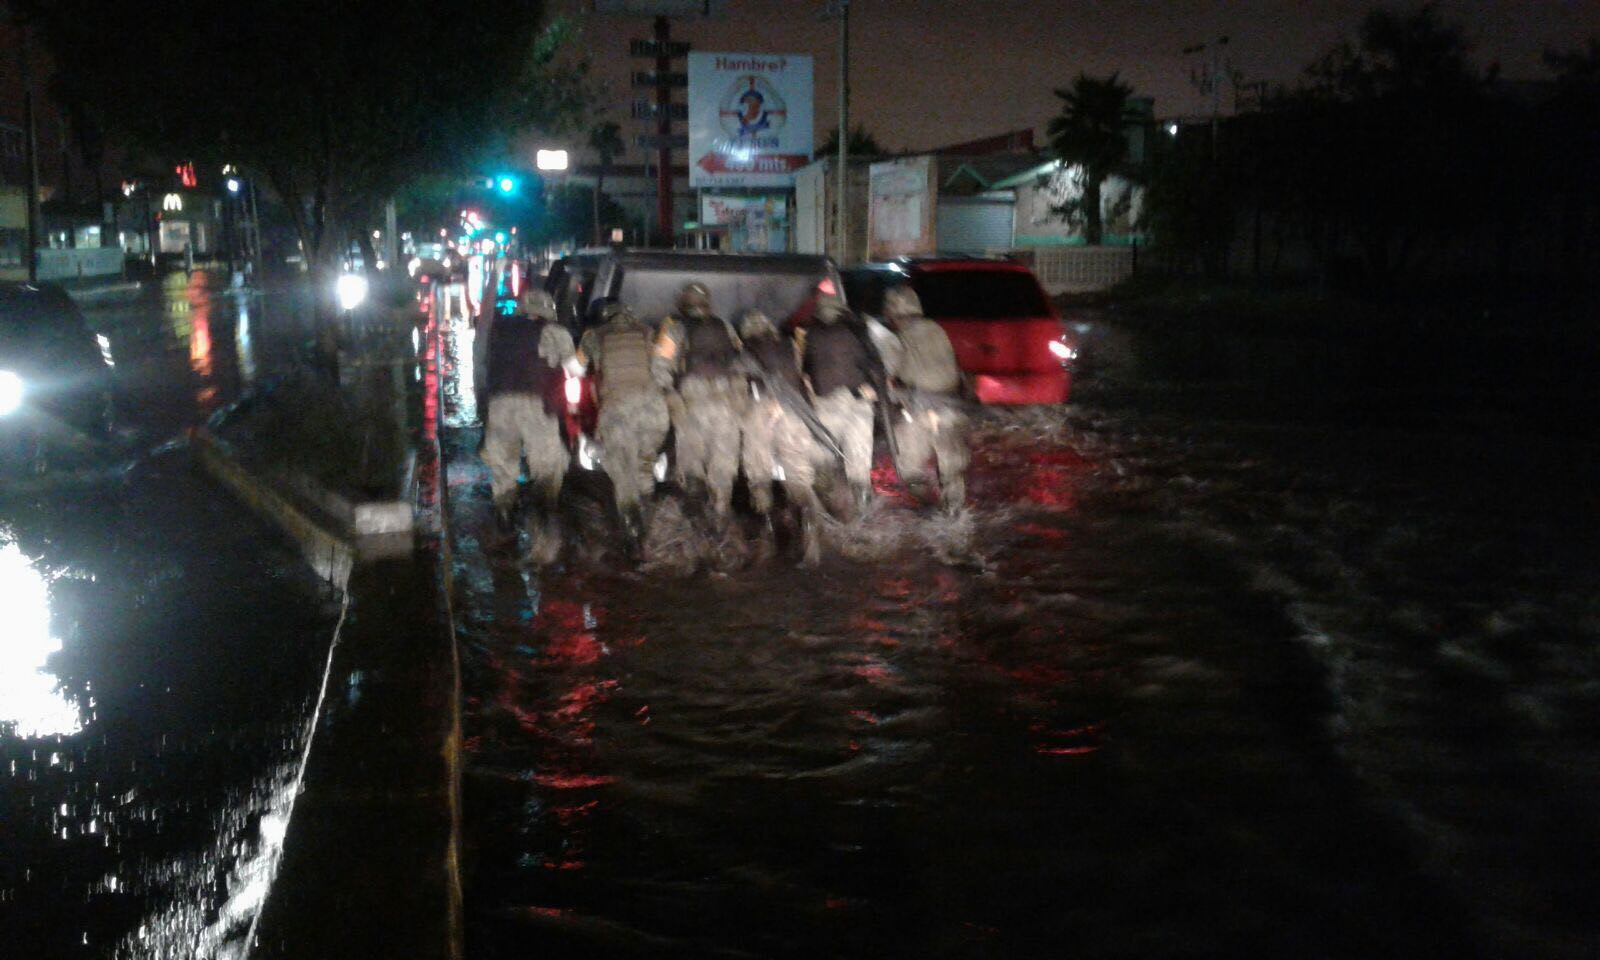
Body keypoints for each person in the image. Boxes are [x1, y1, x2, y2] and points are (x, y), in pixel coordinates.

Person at [481, 287, 574, 560]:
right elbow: (573, 370)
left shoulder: (501, 329)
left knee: (503, 468)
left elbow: (485, 364)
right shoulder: (555, 332)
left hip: (499, 404)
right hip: (536, 405)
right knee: (548, 467)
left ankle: (505, 521)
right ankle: (544, 533)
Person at [574, 301, 669, 556]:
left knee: (623, 473)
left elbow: (575, 368)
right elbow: (662, 368)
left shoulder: (593, 337)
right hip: (654, 410)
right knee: (644, 466)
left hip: (618, 410)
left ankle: (633, 534)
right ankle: (649, 525)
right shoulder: (646, 332)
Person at [736, 309, 827, 565]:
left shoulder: (745, 349)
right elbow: (801, 377)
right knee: (799, 479)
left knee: (759, 473)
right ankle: (811, 543)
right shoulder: (788, 344)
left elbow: (739, 385)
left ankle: (767, 541)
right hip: (797, 410)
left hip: (763, 410)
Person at [654, 281, 746, 526]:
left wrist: (667, 393)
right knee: (723, 466)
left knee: (692, 464)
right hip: (726, 401)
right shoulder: (724, 326)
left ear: (683, 304)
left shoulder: (675, 329)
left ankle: (695, 525)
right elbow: (739, 360)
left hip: (693, 400)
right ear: (707, 304)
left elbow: (661, 365)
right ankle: (720, 518)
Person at [881, 285, 968, 511]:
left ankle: (930, 513)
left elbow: (888, 378)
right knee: (951, 471)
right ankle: (955, 516)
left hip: (918, 408)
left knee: (908, 469)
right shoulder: (937, 329)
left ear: (891, 313)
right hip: (951, 407)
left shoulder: (895, 338)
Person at [800, 294, 878, 514]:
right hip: (861, 402)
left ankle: (827, 516)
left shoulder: (813, 334)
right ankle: (864, 519)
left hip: (828, 404)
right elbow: (879, 360)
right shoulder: (859, 330)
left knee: (820, 459)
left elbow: (806, 371)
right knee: (859, 466)